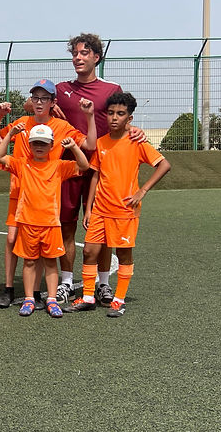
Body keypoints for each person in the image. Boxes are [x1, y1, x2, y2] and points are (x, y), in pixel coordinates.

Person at [53, 33, 144, 305]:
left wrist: (135, 129)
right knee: (66, 226)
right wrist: (52, 105)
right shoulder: (61, 89)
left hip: (101, 170)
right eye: (75, 54)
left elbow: (122, 116)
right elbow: (32, 103)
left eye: (84, 53)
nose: (78, 58)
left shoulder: (110, 89)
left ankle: (103, 284)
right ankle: (66, 282)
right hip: (69, 167)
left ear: (96, 57)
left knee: (102, 229)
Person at [0, 78, 95, 309]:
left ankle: (37, 294)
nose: (39, 102)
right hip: (20, 191)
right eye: (35, 98)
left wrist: (89, 117)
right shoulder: (21, 122)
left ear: (53, 102)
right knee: (11, 239)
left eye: (44, 98)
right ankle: (9, 288)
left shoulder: (62, 126)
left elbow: (89, 146)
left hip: (45, 197)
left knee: (40, 248)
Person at [68, 93, 171, 317]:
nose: (114, 118)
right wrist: (89, 207)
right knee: (89, 251)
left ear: (129, 118)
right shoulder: (101, 142)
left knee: (124, 254)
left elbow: (164, 165)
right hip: (100, 210)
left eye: (120, 114)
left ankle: (119, 300)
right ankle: (88, 297)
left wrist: (142, 191)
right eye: (111, 113)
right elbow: (96, 175)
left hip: (124, 211)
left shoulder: (137, 142)